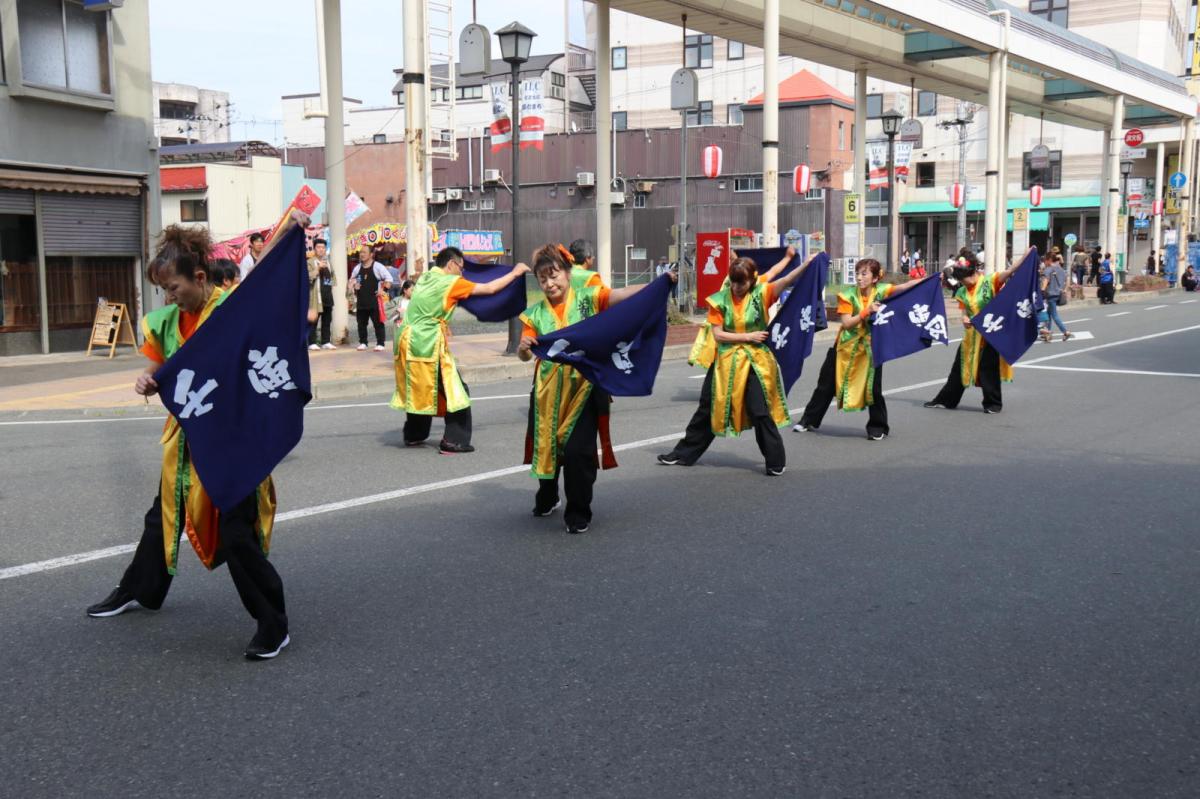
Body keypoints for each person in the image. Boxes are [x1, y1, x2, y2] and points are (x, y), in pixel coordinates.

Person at [85, 221, 299, 660]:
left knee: (237, 532)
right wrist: (147, 381)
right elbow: (161, 368)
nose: (169, 296)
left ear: (199, 278)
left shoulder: (231, 311)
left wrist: (286, 239)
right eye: (163, 290)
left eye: (174, 286)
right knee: (160, 519)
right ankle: (139, 590)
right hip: (185, 439)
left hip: (231, 443)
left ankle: (273, 625)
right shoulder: (165, 322)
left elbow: (265, 295)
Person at [517, 245, 674, 534]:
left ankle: (578, 512)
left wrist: (659, 285)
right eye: (543, 279)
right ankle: (548, 496)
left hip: (585, 389)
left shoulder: (590, 298)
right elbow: (526, 354)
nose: (550, 284)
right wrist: (524, 349)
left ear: (567, 273)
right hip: (547, 393)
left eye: (554, 276)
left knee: (578, 452)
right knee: (548, 449)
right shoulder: (535, 314)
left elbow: (622, 295)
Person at [658, 253, 817, 476]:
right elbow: (719, 335)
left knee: (759, 410)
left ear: (752, 280)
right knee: (708, 406)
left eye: (741, 282)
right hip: (726, 360)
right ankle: (683, 453)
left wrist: (808, 263)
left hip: (755, 362)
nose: (736, 286)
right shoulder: (720, 299)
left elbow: (787, 278)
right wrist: (748, 337)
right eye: (733, 281)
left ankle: (775, 460)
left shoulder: (763, 293)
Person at [392, 246, 530, 453]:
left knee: (420, 386)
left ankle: (414, 435)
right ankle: (454, 441)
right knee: (455, 389)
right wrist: (515, 273)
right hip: (426, 342)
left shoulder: (428, 276)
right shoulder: (451, 282)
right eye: (461, 268)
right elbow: (490, 289)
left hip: (405, 339)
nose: (462, 273)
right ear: (451, 264)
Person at [793, 259, 925, 441]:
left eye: (864, 274)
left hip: (871, 348)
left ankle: (877, 427)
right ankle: (808, 420)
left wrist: (932, 279)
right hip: (844, 347)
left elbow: (906, 286)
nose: (859, 277)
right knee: (826, 386)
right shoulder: (847, 295)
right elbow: (846, 324)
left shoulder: (882, 290)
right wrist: (866, 312)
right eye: (858, 273)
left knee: (874, 389)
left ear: (874, 278)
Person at [923, 248, 1025, 414]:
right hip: (971, 336)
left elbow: (1012, 270)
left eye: (966, 279)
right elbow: (964, 311)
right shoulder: (962, 291)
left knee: (988, 369)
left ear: (974, 272)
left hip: (992, 334)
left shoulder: (990, 281)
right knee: (958, 368)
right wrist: (964, 319)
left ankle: (992, 403)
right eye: (961, 280)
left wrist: (1027, 254)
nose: (964, 283)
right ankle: (946, 400)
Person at [350, 243, 392, 351]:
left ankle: (380, 343)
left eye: (364, 252)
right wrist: (354, 284)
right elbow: (351, 280)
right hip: (361, 301)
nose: (362, 254)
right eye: (360, 252)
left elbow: (389, 279)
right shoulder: (357, 268)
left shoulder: (377, 266)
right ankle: (363, 342)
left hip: (374, 301)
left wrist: (383, 290)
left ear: (371, 254)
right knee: (361, 324)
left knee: (378, 323)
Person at [1038, 253, 1072, 343]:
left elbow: (1045, 281)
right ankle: (1048, 334)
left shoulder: (1048, 270)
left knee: (1054, 314)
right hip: (1058, 294)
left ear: (1049, 260)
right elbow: (1067, 280)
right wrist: (1064, 289)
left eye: (1045, 260)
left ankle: (1065, 331)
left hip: (1050, 294)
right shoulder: (1061, 269)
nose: (1044, 262)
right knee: (1049, 314)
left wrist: (1041, 291)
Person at [310, 240, 337, 349]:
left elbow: (333, 278)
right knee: (313, 321)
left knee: (327, 320)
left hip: (327, 295)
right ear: (314, 249)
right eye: (318, 247)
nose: (321, 249)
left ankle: (325, 341)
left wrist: (330, 283)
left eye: (323, 247)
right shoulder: (310, 262)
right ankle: (311, 342)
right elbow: (307, 277)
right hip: (316, 297)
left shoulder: (328, 262)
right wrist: (318, 268)